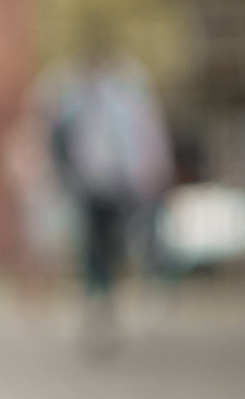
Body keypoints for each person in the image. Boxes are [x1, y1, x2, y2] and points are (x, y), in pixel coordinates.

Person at [45, 31, 172, 350]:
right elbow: (59, 140)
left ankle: (120, 296)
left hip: (120, 185)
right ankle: (100, 301)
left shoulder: (123, 101)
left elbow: (142, 139)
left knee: (118, 244)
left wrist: (148, 172)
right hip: (91, 186)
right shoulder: (74, 105)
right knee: (93, 247)